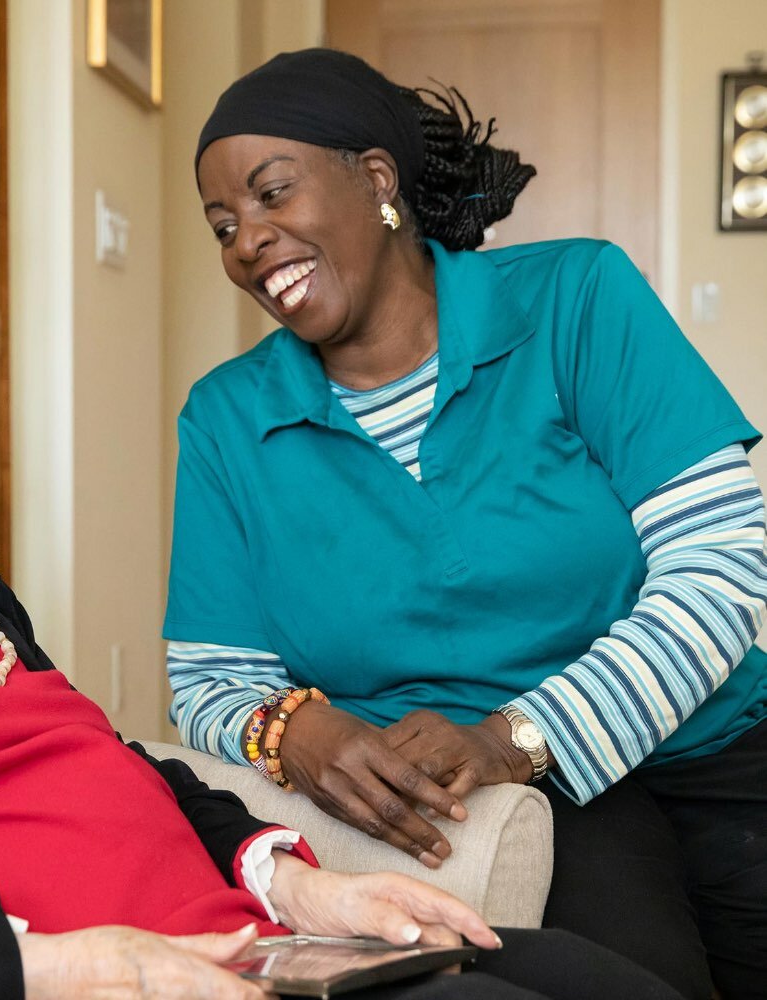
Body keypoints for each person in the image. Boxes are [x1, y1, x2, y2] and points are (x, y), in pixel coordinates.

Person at [0, 222, 680, 1000]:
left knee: (599, 979)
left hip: (254, 958)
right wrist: (60, 968)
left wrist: (301, 887)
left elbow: (126, 777)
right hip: (123, 988)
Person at [165, 48, 767, 1000]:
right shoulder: (228, 419)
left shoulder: (576, 298)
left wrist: (509, 737)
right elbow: (209, 677)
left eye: (273, 195)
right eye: (225, 225)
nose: (248, 241)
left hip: (711, 760)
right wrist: (302, 735)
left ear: (375, 180)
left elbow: (721, 567)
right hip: (493, 812)